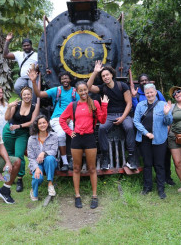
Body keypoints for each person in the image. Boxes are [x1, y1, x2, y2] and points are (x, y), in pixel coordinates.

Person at [59, 81, 108, 209]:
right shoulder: (73, 105)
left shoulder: (94, 103)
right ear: (77, 92)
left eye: (85, 90)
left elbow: (102, 120)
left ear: (88, 90)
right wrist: (70, 132)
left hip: (90, 138)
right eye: (80, 90)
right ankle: (77, 196)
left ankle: (94, 196)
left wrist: (104, 106)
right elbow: (62, 119)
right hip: (77, 139)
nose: (83, 92)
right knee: (76, 168)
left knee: (92, 168)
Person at [87, 61, 136, 170]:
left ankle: (131, 157)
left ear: (112, 75)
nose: (105, 77)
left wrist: (123, 117)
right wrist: (95, 72)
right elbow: (88, 87)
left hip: (123, 113)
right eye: (103, 76)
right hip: (108, 114)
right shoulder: (102, 88)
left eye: (107, 75)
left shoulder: (122, 86)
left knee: (129, 127)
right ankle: (105, 157)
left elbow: (129, 103)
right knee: (102, 129)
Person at [31, 70, 79, 171]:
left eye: (66, 78)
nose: (65, 80)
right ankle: (65, 162)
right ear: (60, 80)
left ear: (70, 79)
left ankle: (74, 159)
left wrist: (70, 118)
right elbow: (39, 94)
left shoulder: (75, 92)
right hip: (57, 118)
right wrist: (33, 82)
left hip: (71, 118)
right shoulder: (56, 90)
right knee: (61, 135)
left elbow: (79, 106)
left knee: (77, 134)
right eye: (62, 78)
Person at [131, 73, 175, 185]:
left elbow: (169, 121)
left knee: (159, 164)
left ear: (156, 93)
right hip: (145, 138)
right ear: (144, 94)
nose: (150, 94)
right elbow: (136, 120)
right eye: (147, 93)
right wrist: (146, 133)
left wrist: (166, 114)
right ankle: (147, 187)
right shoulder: (141, 105)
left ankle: (161, 188)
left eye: (151, 92)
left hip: (160, 138)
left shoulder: (163, 104)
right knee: (147, 164)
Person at [3, 84, 40, 192]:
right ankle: (7, 177)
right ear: (21, 95)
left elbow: (32, 122)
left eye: (28, 94)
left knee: (19, 154)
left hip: (22, 132)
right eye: (24, 94)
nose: (26, 96)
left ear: (31, 95)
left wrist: (19, 126)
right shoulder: (16, 104)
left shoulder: (34, 106)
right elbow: (7, 118)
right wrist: (10, 107)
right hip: (9, 130)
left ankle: (19, 178)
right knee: (8, 154)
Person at [27, 115, 59, 201]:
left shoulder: (54, 136)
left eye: (44, 122)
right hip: (37, 163)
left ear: (47, 123)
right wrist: (36, 168)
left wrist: (44, 153)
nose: (42, 125)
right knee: (37, 178)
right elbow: (30, 156)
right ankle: (33, 191)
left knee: (49, 158)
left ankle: (50, 184)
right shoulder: (31, 139)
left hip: (50, 162)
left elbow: (54, 151)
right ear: (37, 126)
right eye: (40, 123)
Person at [3, 32, 38, 100]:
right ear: (22, 47)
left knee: (34, 90)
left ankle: (33, 105)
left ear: (31, 45)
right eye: (24, 46)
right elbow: (5, 55)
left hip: (33, 78)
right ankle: (25, 101)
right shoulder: (19, 54)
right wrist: (7, 41)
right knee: (17, 87)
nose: (26, 47)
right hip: (23, 77)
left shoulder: (36, 55)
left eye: (28, 45)